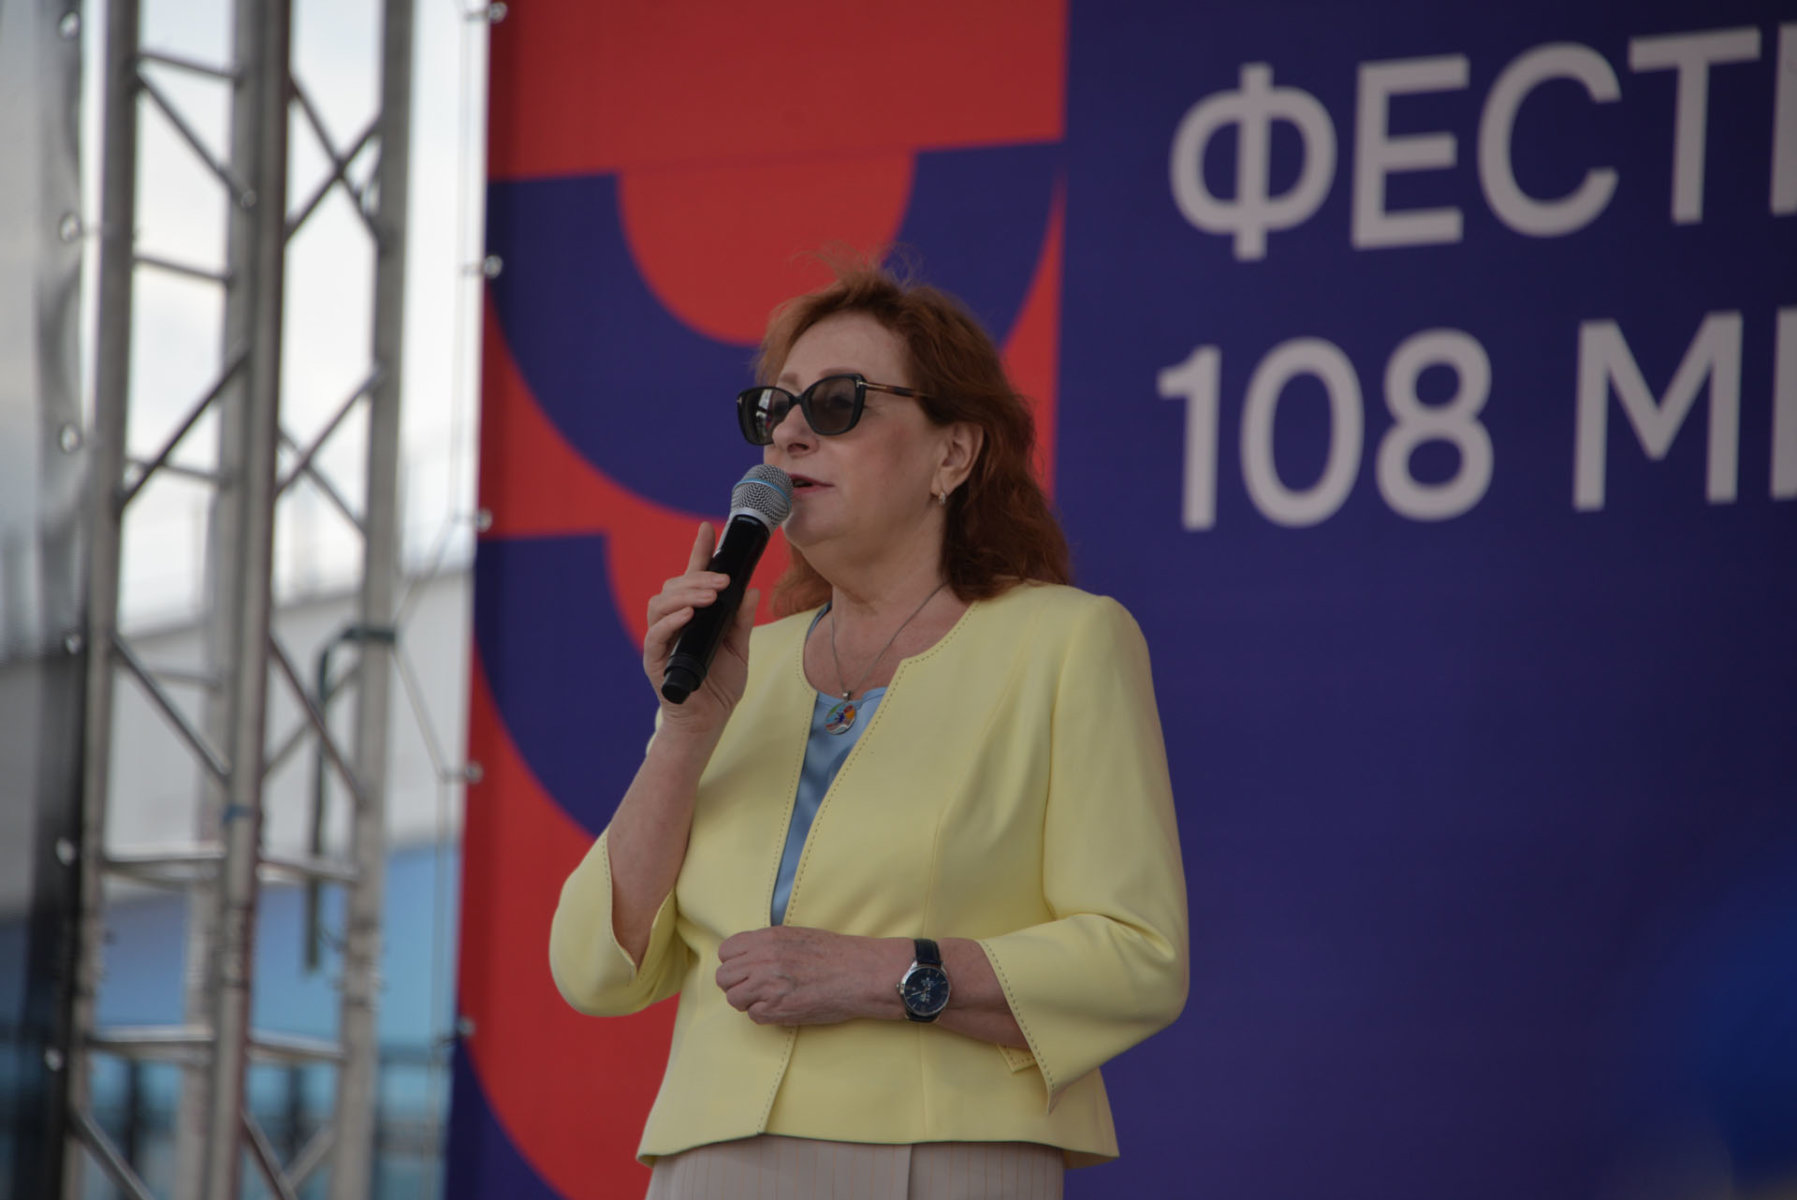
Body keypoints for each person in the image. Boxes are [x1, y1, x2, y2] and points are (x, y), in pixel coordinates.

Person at [549, 260, 1188, 1199]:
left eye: (838, 403)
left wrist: (888, 975)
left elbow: (1139, 958)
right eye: (776, 409)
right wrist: (682, 732)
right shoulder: (743, 665)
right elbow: (594, 970)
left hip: (942, 1153)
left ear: (952, 455)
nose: (791, 432)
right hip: (713, 1158)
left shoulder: (1064, 641)